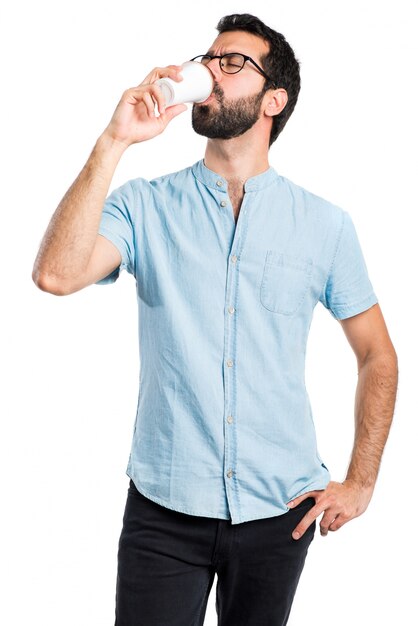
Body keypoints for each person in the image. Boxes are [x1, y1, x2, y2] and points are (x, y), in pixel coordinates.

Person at [32, 12, 398, 626]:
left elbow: (376, 354)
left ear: (273, 99)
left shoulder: (325, 225)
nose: (209, 71)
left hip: (280, 511)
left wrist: (361, 481)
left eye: (233, 63)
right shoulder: (145, 205)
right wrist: (114, 140)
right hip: (163, 511)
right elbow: (56, 275)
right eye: (208, 58)